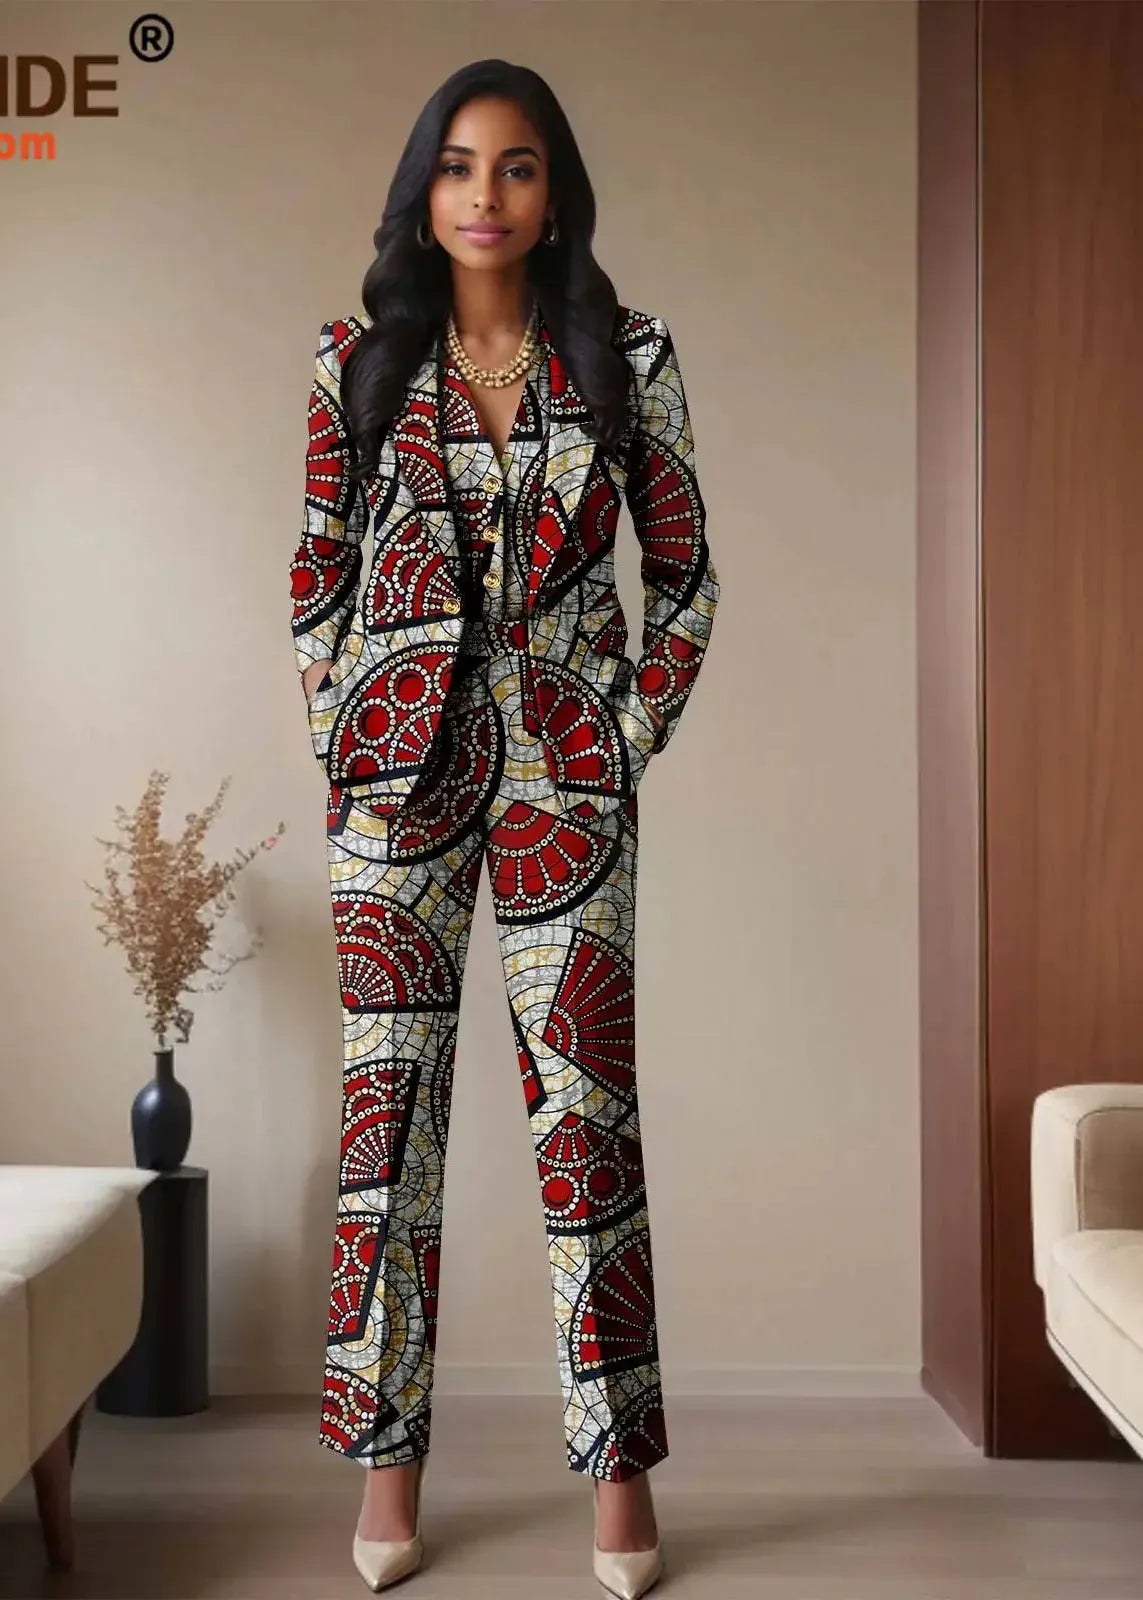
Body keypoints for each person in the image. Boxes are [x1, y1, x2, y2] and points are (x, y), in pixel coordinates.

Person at [288, 57, 720, 1598]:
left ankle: (621, 1495)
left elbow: (686, 584)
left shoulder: (630, 355)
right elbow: (315, 579)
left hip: (565, 785)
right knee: (384, 1136)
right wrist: (351, 728)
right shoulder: (358, 360)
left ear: (555, 194)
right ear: (426, 190)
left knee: (584, 1127)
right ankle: (387, 1479)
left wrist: (622, 733)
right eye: (460, 167)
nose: (485, 196)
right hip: (390, 797)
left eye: (518, 167)